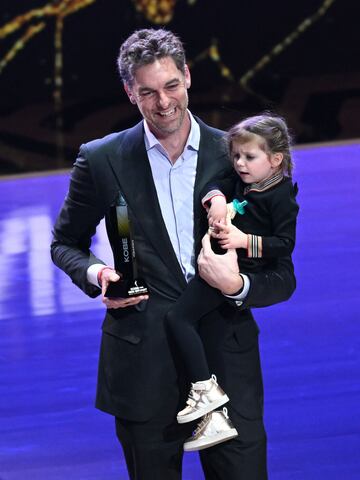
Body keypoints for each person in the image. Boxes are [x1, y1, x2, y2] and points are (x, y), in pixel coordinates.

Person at [51, 28, 296, 480]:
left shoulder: (238, 157)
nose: (163, 103)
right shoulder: (101, 159)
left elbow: (283, 275)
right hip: (143, 366)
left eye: (170, 86)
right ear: (129, 92)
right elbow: (64, 244)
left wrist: (238, 285)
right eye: (147, 92)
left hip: (227, 362)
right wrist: (98, 273)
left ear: (187, 76)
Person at [165, 113, 299, 451]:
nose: (240, 163)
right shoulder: (244, 180)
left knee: (179, 318)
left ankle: (204, 392)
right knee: (185, 321)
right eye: (236, 155)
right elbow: (216, 183)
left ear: (276, 159)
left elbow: (285, 244)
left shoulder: (281, 196)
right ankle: (212, 416)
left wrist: (242, 241)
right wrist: (217, 200)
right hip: (223, 265)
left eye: (249, 157)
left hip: (235, 272)